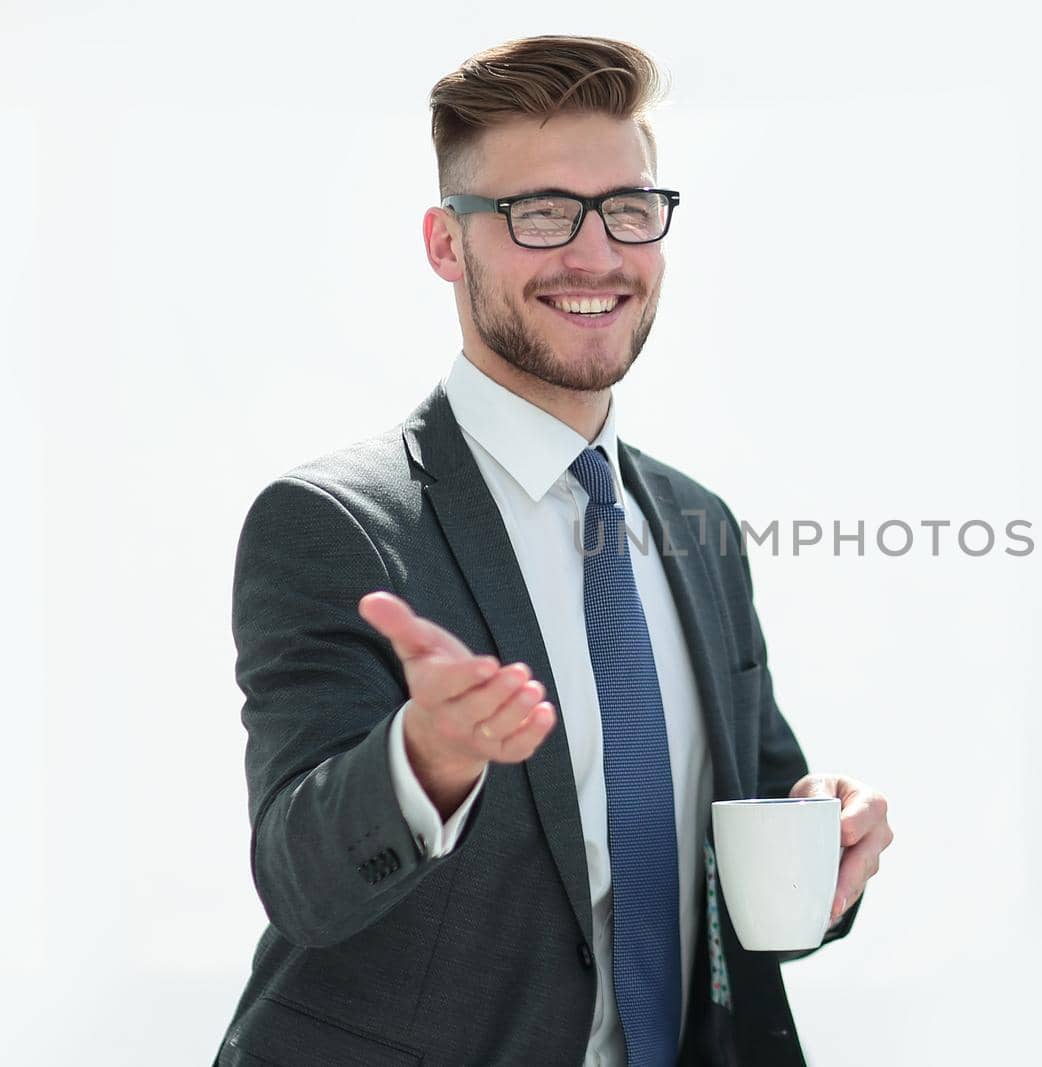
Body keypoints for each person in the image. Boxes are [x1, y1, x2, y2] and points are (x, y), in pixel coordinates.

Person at [212, 35, 893, 1067]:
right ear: (448, 243)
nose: (595, 254)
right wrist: (427, 758)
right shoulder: (332, 523)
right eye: (540, 213)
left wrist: (826, 841)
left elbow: (751, 840)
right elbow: (303, 879)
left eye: (628, 208)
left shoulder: (695, 523)